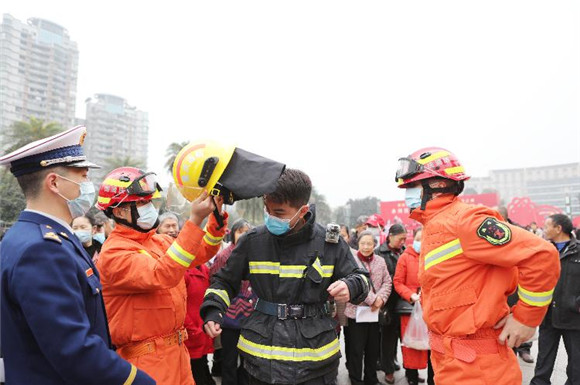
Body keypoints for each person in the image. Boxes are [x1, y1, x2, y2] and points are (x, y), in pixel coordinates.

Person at [0, 126, 154, 384]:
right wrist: (136, 380)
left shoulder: (25, 236)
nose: (88, 186)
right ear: (54, 183)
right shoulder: (42, 250)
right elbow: (73, 347)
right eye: (82, 177)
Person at [394, 146, 560, 384]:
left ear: (438, 185)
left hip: (478, 365)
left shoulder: (466, 221)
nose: (407, 194)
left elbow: (542, 255)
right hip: (451, 360)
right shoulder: (435, 225)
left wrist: (526, 318)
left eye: (412, 186)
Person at [201, 169, 370, 385]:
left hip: (315, 363)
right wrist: (214, 310)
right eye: (267, 211)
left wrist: (351, 285)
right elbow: (224, 281)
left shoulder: (330, 243)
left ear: (303, 210)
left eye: (279, 213)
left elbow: (362, 279)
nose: (271, 218)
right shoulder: (253, 241)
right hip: (260, 362)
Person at [95, 166, 228, 385]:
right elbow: (162, 274)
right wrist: (194, 221)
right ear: (119, 211)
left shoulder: (157, 240)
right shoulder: (114, 253)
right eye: (141, 203)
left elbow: (201, 252)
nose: (149, 207)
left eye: (149, 201)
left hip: (177, 353)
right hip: (144, 360)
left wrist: (215, 218)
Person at [530, 214, 580, 385]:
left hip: (574, 317)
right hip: (548, 316)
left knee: (576, 364)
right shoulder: (542, 251)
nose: (544, 230)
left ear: (559, 229)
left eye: (547, 226)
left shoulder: (578, 251)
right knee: (543, 361)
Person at [209, 218, 254, 385]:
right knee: (229, 359)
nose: (243, 235)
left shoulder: (254, 254)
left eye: (247, 232)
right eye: (240, 231)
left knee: (247, 360)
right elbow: (215, 280)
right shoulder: (224, 255)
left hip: (250, 316)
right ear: (233, 233)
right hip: (229, 316)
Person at [344, 231, 391, 385]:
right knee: (356, 350)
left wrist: (381, 299)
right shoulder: (351, 261)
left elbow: (387, 282)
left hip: (374, 314)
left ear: (374, 245)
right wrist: (373, 300)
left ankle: (371, 378)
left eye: (369, 244)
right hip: (355, 312)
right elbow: (354, 284)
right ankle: (356, 379)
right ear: (358, 243)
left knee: (372, 350)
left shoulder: (380, 261)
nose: (366, 247)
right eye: (363, 243)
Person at [393, 228, 434, 385]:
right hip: (411, 309)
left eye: (425, 238)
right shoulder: (405, 258)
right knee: (412, 344)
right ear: (413, 239)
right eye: (418, 238)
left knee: (433, 347)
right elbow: (398, 282)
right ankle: (411, 377)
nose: (421, 242)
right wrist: (410, 295)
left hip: (432, 309)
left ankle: (433, 379)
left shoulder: (435, 256)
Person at [498, 206, 535, 363]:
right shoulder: (487, 234)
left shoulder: (520, 234)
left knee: (518, 320)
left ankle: (523, 349)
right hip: (498, 286)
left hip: (517, 284)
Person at [376, 223, 407, 384]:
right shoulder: (379, 253)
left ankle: (405, 366)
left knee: (404, 338)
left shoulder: (405, 251)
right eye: (400, 238)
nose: (403, 242)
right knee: (387, 339)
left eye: (405, 239)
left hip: (404, 302)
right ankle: (387, 370)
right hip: (388, 303)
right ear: (390, 236)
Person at [184, 261, 216, 385]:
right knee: (196, 370)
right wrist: (192, 329)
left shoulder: (205, 269)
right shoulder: (184, 272)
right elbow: (180, 306)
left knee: (202, 364)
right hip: (191, 333)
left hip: (202, 329)